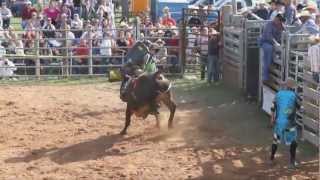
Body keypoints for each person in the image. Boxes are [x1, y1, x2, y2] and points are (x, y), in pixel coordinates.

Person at [270, 79, 300, 169]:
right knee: (293, 142)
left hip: (279, 122)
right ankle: (292, 162)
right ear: (292, 87)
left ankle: (271, 158)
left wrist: (272, 118)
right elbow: (299, 107)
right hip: (289, 123)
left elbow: (272, 107)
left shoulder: (278, 94)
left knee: (276, 140)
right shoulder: (294, 95)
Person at [260, 13, 285, 83]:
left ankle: (278, 73)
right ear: (275, 19)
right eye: (278, 20)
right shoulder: (269, 24)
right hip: (266, 42)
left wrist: (281, 43)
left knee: (281, 52)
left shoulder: (281, 26)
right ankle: (265, 76)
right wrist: (276, 43)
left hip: (275, 44)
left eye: (280, 21)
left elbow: (284, 34)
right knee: (269, 50)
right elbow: (269, 36)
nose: (279, 21)